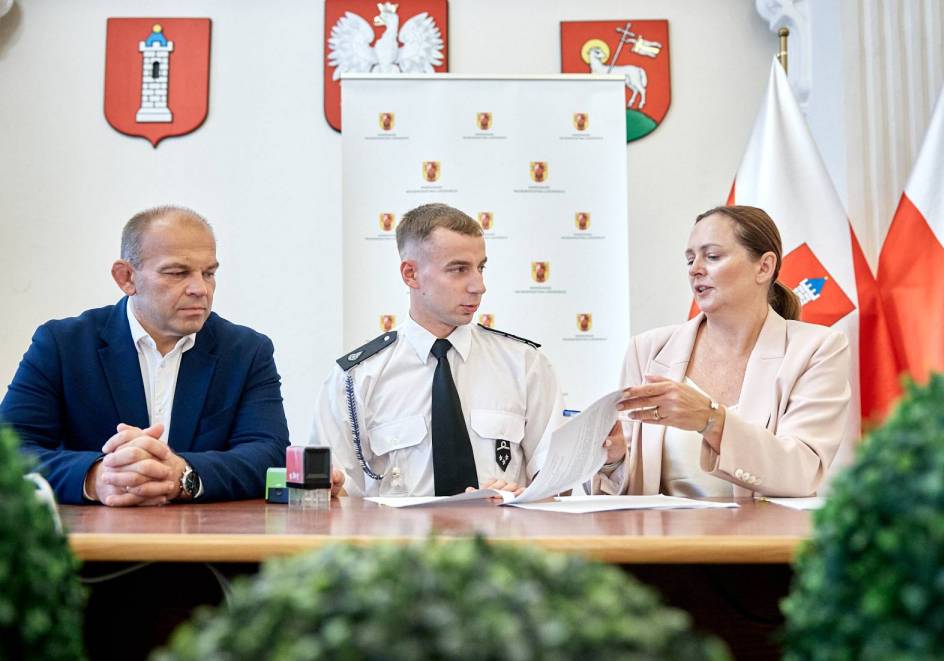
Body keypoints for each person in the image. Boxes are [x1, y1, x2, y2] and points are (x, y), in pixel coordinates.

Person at [0, 206, 289, 505]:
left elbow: (270, 452)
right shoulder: (62, 345)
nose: (200, 289)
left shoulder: (246, 351)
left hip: (207, 532)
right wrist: (97, 478)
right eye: (177, 273)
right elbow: (9, 452)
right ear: (126, 277)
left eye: (209, 273)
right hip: (91, 531)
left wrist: (184, 474)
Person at [597, 205, 851, 498]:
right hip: (662, 530)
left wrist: (711, 421)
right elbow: (629, 492)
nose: (695, 269)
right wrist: (613, 459)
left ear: (764, 267)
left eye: (712, 256)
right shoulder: (646, 349)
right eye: (690, 259)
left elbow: (802, 472)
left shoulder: (817, 349)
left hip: (765, 530)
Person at [312, 203, 563, 497]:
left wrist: (524, 498)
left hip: (502, 527)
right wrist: (331, 491)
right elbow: (332, 495)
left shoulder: (524, 364)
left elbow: (556, 482)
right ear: (411, 274)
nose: (479, 286)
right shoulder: (355, 378)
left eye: (481, 268)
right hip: (397, 529)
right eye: (458, 270)